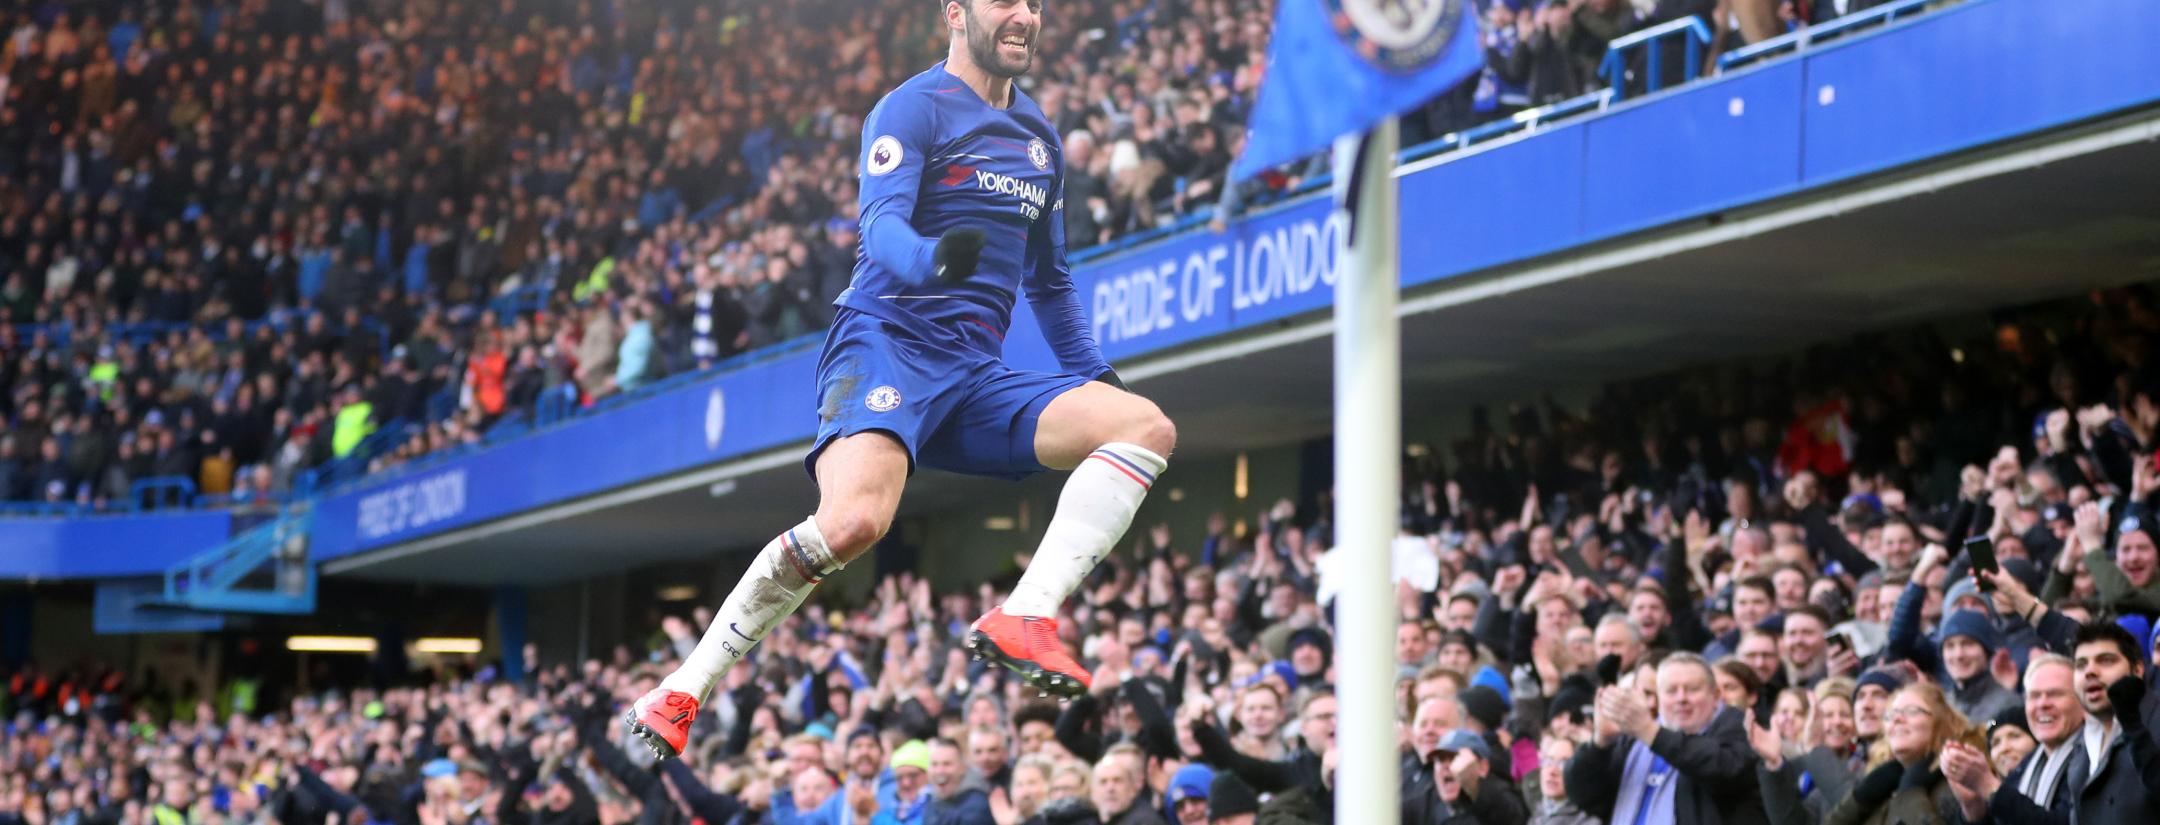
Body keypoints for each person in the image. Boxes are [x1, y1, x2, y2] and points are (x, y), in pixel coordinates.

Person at [628, 0, 1178, 758]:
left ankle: (1028, 615)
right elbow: (881, 226)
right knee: (856, 523)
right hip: (887, 344)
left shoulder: (1040, 139)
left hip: (975, 371)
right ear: (955, 12)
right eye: (1004, 2)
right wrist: (928, 259)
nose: (1023, 15)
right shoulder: (911, 108)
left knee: (1143, 425)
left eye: (1034, 3)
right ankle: (682, 688)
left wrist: (1099, 381)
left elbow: (1049, 283)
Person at [1563, 652, 1767, 825]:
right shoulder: (1634, 738)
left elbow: (1724, 769)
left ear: (1715, 695)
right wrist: (1600, 742)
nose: (1681, 698)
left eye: (1692, 689)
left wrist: (1650, 732)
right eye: (1671, 691)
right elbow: (1583, 796)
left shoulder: (1737, 725)